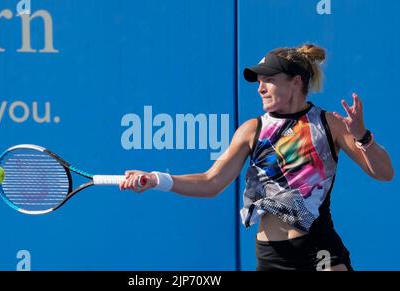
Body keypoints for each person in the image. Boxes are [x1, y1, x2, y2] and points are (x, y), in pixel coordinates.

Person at [119, 44, 394, 271]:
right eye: (259, 81)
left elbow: (384, 173)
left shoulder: (328, 124)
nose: (260, 88)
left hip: (319, 251)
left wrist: (362, 136)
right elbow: (210, 182)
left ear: (296, 81)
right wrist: (157, 179)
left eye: (270, 80)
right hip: (270, 256)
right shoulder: (252, 130)